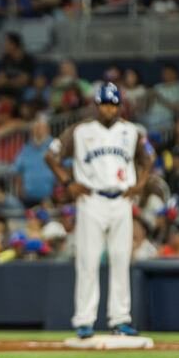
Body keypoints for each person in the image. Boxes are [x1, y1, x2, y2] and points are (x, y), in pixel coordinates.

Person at [45, 82, 154, 340]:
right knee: (88, 260)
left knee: (120, 259)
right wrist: (68, 182)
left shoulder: (132, 131)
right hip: (91, 200)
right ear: (96, 105)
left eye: (113, 104)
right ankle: (84, 321)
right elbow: (51, 156)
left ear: (119, 106)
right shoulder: (80, 131)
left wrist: (139, 184)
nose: (109, 108)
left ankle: (120, 319)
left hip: (121, 201)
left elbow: (148, 159)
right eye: (105, 103)